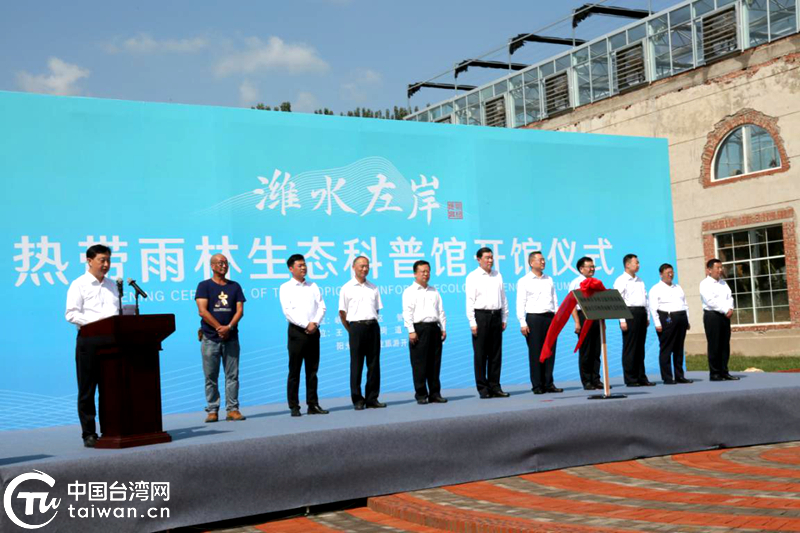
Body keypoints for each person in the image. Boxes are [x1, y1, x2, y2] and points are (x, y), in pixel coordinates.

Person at [65, 244, 121, 447]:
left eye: (108, 260)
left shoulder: (112, 285)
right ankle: (88, 433)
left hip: (112, 342)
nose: (106, 264)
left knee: (111, 388)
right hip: (89, 340)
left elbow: (116, 312)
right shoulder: (79, 284)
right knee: (87, 389)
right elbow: (71, 314)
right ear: (89, 261)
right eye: (102, 260)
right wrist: (97, 323)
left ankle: (111, 428)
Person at [195, 254, 246, 423]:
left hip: (231, 338)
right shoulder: (204, 286)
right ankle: (212, 410)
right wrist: (219, 327)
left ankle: (233, 409)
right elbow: (202, 311)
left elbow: (240, 311)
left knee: (232, 375)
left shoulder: (235, 286)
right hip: (210, 338)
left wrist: (228, 327)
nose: (223, 265)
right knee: (211, 376)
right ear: (212, 266)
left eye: (225, 263)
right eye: (220, 263)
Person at [279, 254, 329, 417]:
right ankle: (294, 406)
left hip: (314, 331)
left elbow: (321, 307)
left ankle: (313, 404)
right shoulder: (285, 287)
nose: (303, 268)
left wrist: (314, 323)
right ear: (291, 268)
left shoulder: (313, 286)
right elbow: (288, 311)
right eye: (300, 265)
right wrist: (306, 324)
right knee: (294, 371)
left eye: (304, 265)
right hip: (297, 333)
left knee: (312, 371)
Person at [339, 256, 385, 410]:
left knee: (374, 364)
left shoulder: (373, 287)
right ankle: (357, 399)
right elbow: (342, 313)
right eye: (361, 266)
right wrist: (352, 329)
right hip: (356, 328)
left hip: (373, 327)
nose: (364, 269)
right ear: (353, 267)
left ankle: (372, 398)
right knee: (356, 365)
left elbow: (376, 309)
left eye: (367, 266)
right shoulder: (346, 288)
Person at [465, 247, 509, 399]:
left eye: (491, 257)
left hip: (496, 315)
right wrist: (472, 322)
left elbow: (503, 298)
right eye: (487, 257)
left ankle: (495, 386)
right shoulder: (473, 277)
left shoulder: (498, 275)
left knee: (496, 354)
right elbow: (470, 301)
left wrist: (504, 318)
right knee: (481, 354)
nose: (490, 260)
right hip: (481, 316)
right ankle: (483, 388)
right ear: (478, 259)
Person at [517, 251, 562, 395]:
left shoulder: (549, 279)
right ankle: (537, 385)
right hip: (534, 319)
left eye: (544, 260)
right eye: (540, 260)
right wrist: (522, 322)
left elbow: (554, 300)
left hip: (550, 318)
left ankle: (549, 383)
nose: (543, 262)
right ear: (531, 263)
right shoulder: (524, 281)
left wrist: (557, 318)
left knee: (550, 351)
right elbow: (521, 302)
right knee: (536, 353)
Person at [402, 260, 447, 404]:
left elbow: (440, 310)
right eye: (422, 271)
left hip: (434, 328)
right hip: (419, 329)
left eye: (428, 271)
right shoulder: (409, 291)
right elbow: (407, 313)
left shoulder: (434, 291)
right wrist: (411, 330)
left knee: (435, 363)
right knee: (419, 363)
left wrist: (443, 328)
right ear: (415, 274)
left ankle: (435, 394)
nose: (425, 274)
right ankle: (421, 394)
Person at [614, 254, 655, 387]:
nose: (638, 265)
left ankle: (641, 377)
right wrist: (622, 320)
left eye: (638, 262)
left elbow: (645, 299)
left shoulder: (640, 280)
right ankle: (631, 379)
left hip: (641, 313)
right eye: (636, 263)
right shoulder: (621, 280)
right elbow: (618, 301)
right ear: (627, 265)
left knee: (640, 348)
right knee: (630, 347)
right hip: (629, 314)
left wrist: (647, 317)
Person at [649, 263, 693, 385]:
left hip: (681, 318)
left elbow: (685, 304)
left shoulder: (678, 287)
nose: (670, 275)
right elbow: (653, 308)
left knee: (679, 349)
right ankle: (667, 377)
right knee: (666, 349)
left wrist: (687, 320)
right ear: (661, 274)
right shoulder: (656, 289)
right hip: (667, 319)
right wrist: (657, 323)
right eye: (667, 272)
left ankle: (679, 376)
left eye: (672, 272)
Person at [700, 258, 739, 381]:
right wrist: (725, 309)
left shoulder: (723, 283)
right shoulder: (705, 284)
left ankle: (724, 371)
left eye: (721, 267)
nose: (720, 270)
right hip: (712, 316)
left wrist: (730, 308)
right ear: (709, 270)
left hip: (725, 316)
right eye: (717, 268)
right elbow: (710, 301)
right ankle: (715, 373)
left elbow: (730, 297)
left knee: (724, 345)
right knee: (714, 345)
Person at [569, 257, 603, 391]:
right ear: (581, 269)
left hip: (597, 317)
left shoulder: (596, 282)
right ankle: (587, 381)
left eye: (593, 266)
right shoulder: (575, 283)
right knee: (586, 351)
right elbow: (571, 304)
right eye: (589, 266)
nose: (592, 269)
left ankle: (596, 379)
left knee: (596, 351)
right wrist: (577, 322)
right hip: (583, 316)